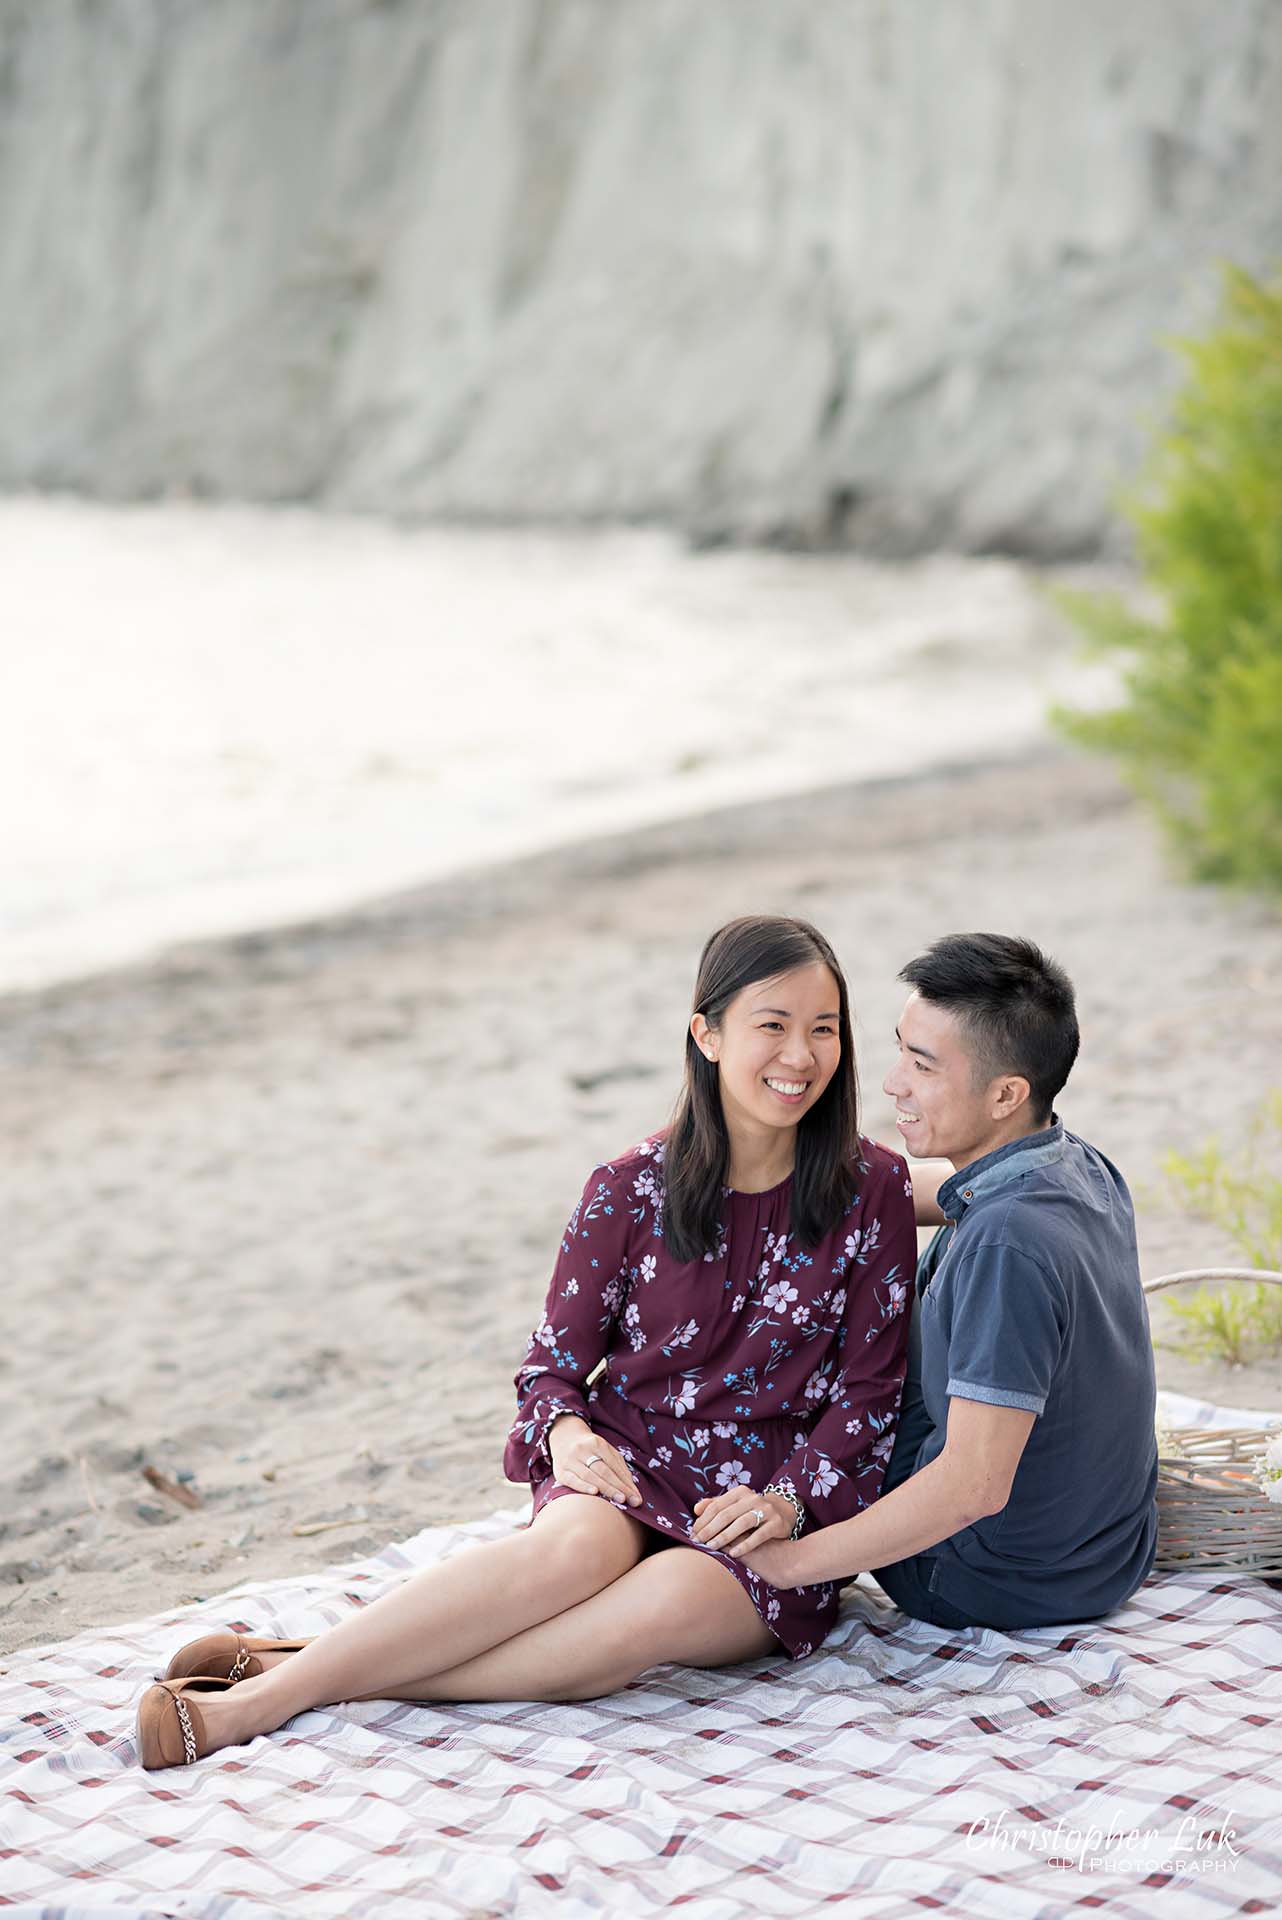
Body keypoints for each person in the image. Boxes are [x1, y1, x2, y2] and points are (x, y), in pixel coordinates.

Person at [137, 914, 916, 1769]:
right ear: (707, 1033)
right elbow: (550, 1367)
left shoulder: (872, 1190)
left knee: (648, 1615)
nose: (799, 1056)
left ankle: (301, 1673)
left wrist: (787, 1502)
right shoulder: (625, 1189)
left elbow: (867, 1394)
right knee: (572, 1551)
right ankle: (265, 1702)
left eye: (823, 1029)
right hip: (633, 1458)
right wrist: (570, 1435)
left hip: (767, 1504)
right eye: (773, 1025)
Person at [733, 932, 1159, 1632]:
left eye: (922, 1066)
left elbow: (973, 1488)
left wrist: (795, 1564)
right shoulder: (1076, 1166)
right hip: (1109, 1552)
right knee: (867, 1234)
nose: (894, 1081)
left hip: (985, 1579)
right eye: (899, 1048)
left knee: (845, 1300)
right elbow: (918, 1192)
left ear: (1005, 1095)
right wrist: (768, 1189)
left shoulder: (1006, 1245)